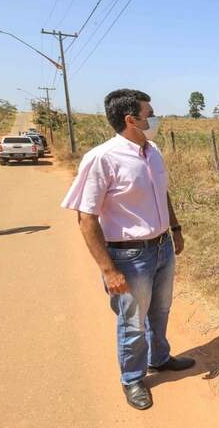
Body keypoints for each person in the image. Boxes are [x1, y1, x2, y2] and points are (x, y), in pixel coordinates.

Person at [60, 89, 195, 410]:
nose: (155, 119)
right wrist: (108, 269)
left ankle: (159, 358)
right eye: (150, 115)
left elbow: (163, 194)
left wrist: (174, 229)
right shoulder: (101, 158)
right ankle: (132, 378)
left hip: (162, 247)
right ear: (131, 120)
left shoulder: (153, 151)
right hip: (129, 256)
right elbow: (86, 218)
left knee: (160, 311)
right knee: (132, 322)